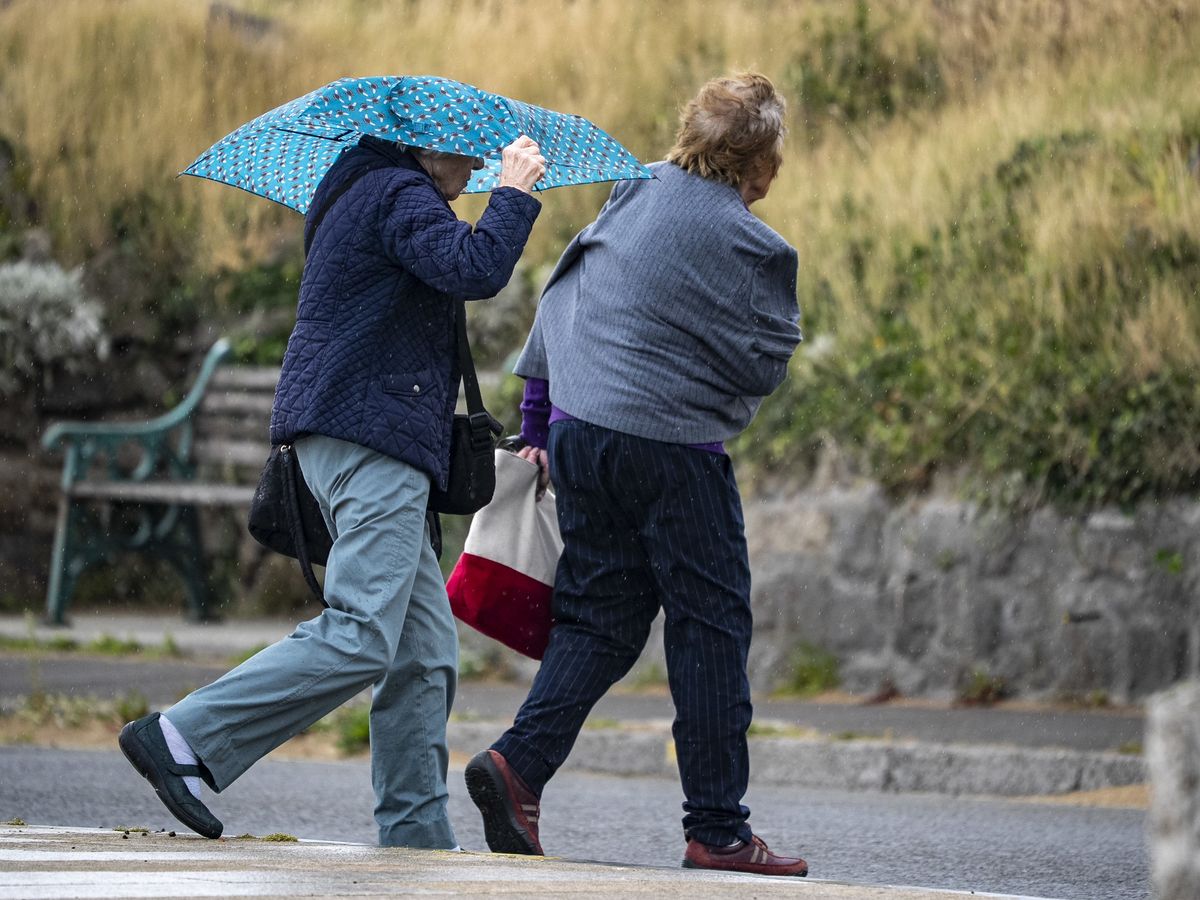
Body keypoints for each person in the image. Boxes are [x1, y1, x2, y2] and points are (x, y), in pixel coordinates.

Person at [119, 132, 546, 849]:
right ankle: (182, 735)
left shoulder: (372, 190)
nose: (474, 169)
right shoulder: (398, 193)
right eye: (465, 156)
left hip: (365, 439)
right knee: (361, 635)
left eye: (484, 161)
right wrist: (514, 193)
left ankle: (415, 836)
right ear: (423, 147)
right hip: (369, 442)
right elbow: (475, 267)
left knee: (422, 652)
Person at [464, 73, 808, 876]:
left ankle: (518, 766)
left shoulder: (633, 188)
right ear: (759, 164)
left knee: (601, 619)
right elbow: (763, 361)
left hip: (582, 436)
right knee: (710, 627)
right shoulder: (754, 245)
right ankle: (718, 830)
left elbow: (565, 291)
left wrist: (539, 422)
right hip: (671, 451)